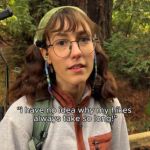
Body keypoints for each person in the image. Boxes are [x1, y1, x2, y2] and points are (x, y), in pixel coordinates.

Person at [0, 6, 130, 150]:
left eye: (84, 39)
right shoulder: (21, 118)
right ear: (46, 54)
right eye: (62, 42)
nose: (76, 52)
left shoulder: (110, 107)